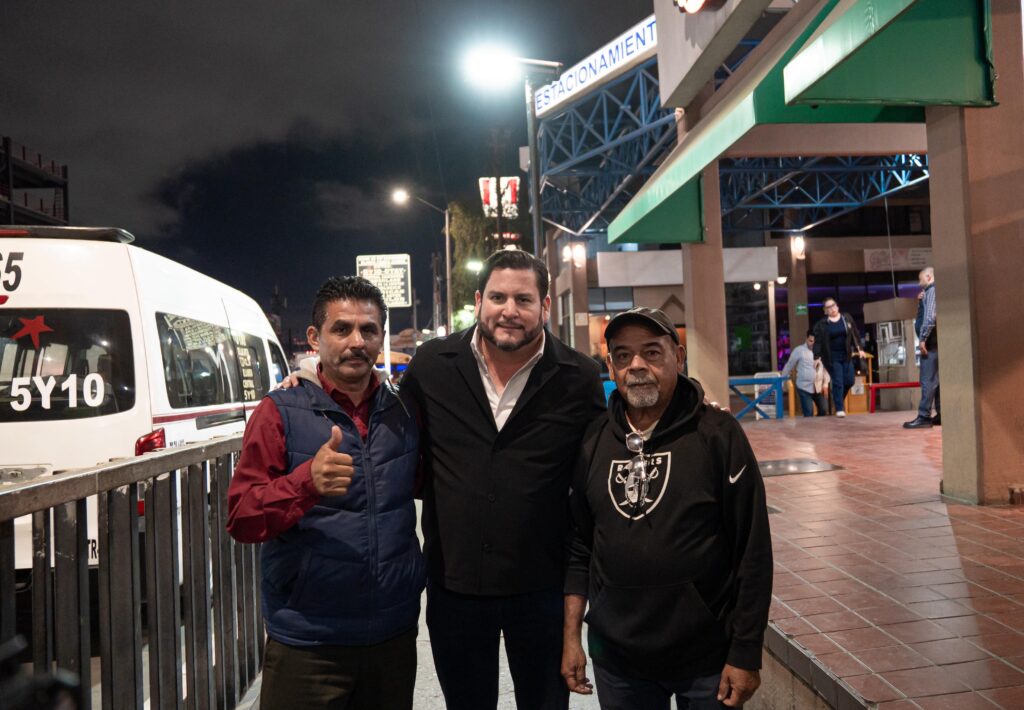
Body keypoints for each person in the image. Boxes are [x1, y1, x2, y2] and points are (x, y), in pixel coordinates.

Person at [401, 249, 606, 710]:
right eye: (497, 297)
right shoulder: (432, 365)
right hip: (455, 586)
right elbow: (382, 414)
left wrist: (690, 405)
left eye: (523, 299)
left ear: (545, 306)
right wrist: (311, 379)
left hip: (542, 588)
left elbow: (607, 453)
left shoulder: (579, 377)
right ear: (479, 301)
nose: (509, 310)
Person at [226, 276, 424, 710]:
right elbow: (241, 518)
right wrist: (305, 484)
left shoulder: (404, 409)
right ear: (315, 338)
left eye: (368, 330)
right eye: (342, 329)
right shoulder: (278, 411)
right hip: (309, 643)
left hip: (392, 636)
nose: (357, 342)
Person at [561, 307, 773, 710]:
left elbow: (753, 550)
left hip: (706, 659)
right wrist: (571, 636)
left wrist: (746, 652)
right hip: (618, 659)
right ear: (611, 367)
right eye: (623, 355)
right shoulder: (593, 440)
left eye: (652, 352)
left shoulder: (718, 434)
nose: (637, 365)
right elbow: (579, 546)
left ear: (678, 357)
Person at [812, 297, 867, 417]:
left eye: (833, 305)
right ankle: (839, 409)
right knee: (838, 381)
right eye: (828, 307)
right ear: (825, 311)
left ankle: (837, 399)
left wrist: (860, 349)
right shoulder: (822, 324)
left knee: (849, 381)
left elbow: (855, 333)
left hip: (846, 355)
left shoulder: (846, 318)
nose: (832, 308)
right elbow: (818, 342)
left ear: (837, 306)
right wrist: (817, 357)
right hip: (832, 357)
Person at [904, 267, 940, 429]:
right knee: (936, 381)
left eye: (921, 279)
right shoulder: (929, 292)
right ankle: (941, 414)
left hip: (931, 343)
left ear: (929, 277)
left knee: (927, 381)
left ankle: (924, 416)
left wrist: (923, 338)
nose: (919, 283)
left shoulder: (932, 291)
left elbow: (930, 317)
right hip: (935, 343)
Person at [780, 330, 828, 417]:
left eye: (815, 342)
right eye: (810, 341)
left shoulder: (821, 351)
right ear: (806, 339)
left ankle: (818, 425)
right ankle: (809, 425)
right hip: (804, 387)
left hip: (818, 386)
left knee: (824, 409)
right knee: (809, 413)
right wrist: (782, 381)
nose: (813, 344)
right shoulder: (799, 350)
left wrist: (825, 384)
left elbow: (826, 369)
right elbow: (789, 365)